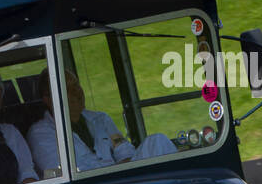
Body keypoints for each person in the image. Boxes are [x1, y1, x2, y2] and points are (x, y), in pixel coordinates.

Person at [27, 68, 176, 173]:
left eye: (77, 85)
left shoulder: (100, 119)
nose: (77, 92)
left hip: (121, 178)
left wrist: (121, 167)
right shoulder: (41, 134)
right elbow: (64, 174)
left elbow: (124, 150)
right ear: (48, 99)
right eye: (68, 89)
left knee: (158, 141)